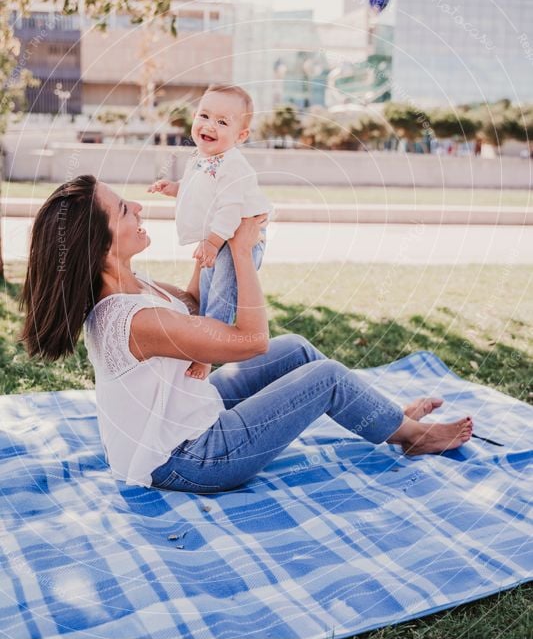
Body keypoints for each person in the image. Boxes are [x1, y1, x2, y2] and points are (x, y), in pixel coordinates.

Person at [19, 175, 473, 495]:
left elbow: (193, 307)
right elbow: (249, 339)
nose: (137, 207)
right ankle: (414, 435)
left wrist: (211, 229)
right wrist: (240, 249)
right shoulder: (133, 320)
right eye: (123, 210)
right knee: (326, 377)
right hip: (189, 459)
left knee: (295, 349)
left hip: (186, 414)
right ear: (99, 246)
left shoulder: (135, 286)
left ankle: (388, 417)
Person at [148, 84, 272, 381]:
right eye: (204, 115)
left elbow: (230, 208)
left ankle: (206, 355)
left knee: (221, 296)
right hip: (221, 239)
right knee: (206, 291)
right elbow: (203, 190)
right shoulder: (202, 158)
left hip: (238, 238)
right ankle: (203, 339)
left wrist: (213, 242)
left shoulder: (233, 165)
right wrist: (176, 188)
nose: (209, 125)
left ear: (241, 136)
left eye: (222, 122)